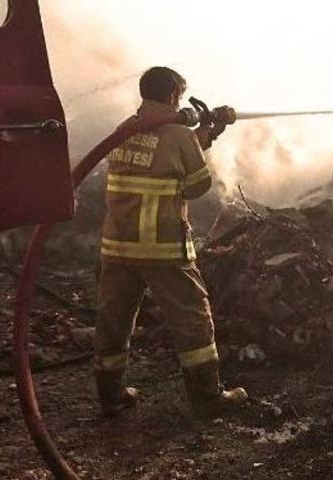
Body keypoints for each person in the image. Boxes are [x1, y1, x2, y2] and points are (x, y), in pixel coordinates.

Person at [94, 66, 247, 418]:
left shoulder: (125, 131)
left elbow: (160, 163)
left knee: (114, 321)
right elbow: (196, 186)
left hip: (117, 246)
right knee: (193, 318)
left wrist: (203, 135)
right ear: (173, 96)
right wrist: (196, 139)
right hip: (161, 247)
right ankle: (208, 398)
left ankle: (110, 397)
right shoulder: (178, 135)